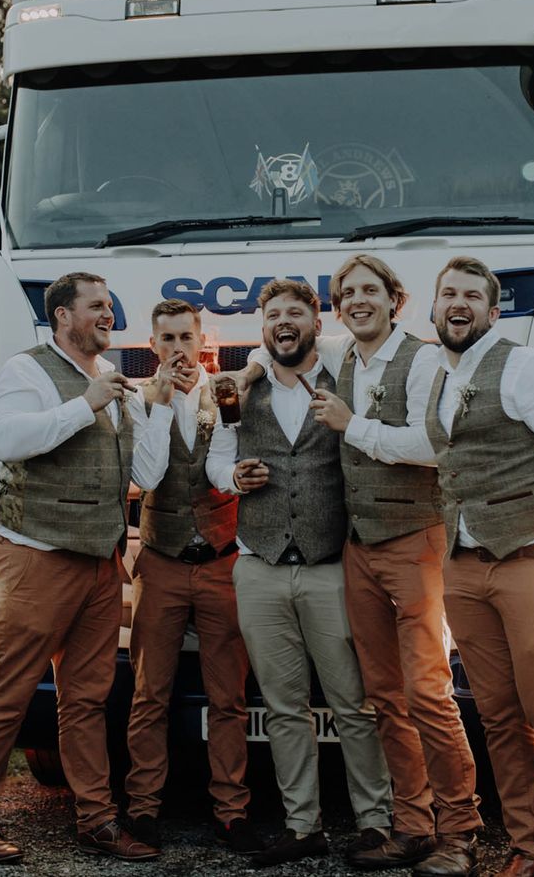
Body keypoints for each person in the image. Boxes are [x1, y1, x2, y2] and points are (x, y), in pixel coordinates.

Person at [357, 255, 534, 877]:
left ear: (493, 312)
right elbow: (428, 448)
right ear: (433, 308)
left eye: (471, 295)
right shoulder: (440, 381)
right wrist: (354, 427)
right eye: (448, 295)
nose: (458, 303)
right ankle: (532, 850)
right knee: (499, 717)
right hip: (465, 570)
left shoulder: (529, 367)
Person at [246, 254, 481, 875]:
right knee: (384, 697)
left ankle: (460, 831)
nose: (357, 301)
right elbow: (278, 343)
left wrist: (357, 427)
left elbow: (436, 445)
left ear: (395, 300)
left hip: (415, 541)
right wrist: (247, 366)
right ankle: (411, 825)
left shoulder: (425, 358)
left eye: (368, 291)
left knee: (428, 691)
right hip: (358, 551)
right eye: (346, 293)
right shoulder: (341, 356)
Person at [0, 272, 165, 864]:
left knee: (86, 700)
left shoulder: (110, 382)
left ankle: (96, 820)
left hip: (101, 566)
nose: (109, 315)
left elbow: (145, 476)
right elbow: (10, 439)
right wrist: (85, 405)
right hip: (36, 559)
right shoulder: (27, 370)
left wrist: (156, 406)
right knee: (8, 693)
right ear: (62, 316)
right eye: (96, 306)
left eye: (110, 306)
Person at [206, 278, 393, 868]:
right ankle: (302, 824)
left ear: (316, 321)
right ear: (262, 327)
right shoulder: (240, 392)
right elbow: (217, 456)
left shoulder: (345, 378)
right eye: (272, 316)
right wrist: (231, 479)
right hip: (259, 567)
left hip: (330, 566)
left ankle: (375, 822)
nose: (282, 322)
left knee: (352, 702)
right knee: (284, 706)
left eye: (294, 313)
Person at [125, 299, 260, 856]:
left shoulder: (226, 394)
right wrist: (160, 403)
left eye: (186, 336)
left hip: (221, 562)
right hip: (159, 561)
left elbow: (224, 466)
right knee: (148, 693)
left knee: (228, 697)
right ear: (153, 345)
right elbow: (143, 476)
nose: (177, 348)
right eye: (167, 339)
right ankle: (142, 809)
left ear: (202, 338)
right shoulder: (138, 399)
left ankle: (232, 810)